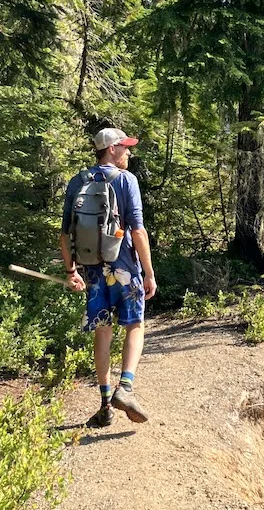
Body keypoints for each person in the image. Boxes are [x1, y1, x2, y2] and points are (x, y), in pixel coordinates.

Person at [60, 127, 157, 427]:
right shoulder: (127, 180)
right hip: (125, 266)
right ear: (112, 149)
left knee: (102, 331)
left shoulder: (78, 181)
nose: (129, 152)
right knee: (135, 326)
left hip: (92, 269)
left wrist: (71, 271)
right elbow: (138, 231)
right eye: (125, 147)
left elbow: (64, 235)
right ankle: (125, 388)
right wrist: (149, 273)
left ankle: (105, 405)